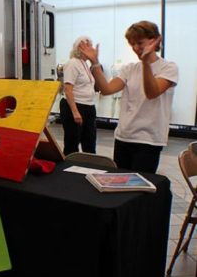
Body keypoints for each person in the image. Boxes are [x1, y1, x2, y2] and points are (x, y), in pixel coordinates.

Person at [79, 20, 178, 173]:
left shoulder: (169, 68)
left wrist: (146, 64)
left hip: (149, 139)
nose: (136, 48)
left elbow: (152, 93)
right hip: (124, 136)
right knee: (120, 184)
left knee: (138, 189)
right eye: (132, 44)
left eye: (140, 43)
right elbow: (106, 89)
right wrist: (95, 63)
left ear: (155, 40)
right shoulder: (130, 69)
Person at [59, 36, 98, 155]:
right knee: (72, 143)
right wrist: (75, 112)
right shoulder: (72, 63)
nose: (91, 48)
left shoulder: (84, 64)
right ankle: (70, 169)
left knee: (90, 142)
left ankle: (89, 167)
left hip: (89, 106)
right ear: (80, 48)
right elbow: (68, 89)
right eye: (88, 46)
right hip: (75, 106)